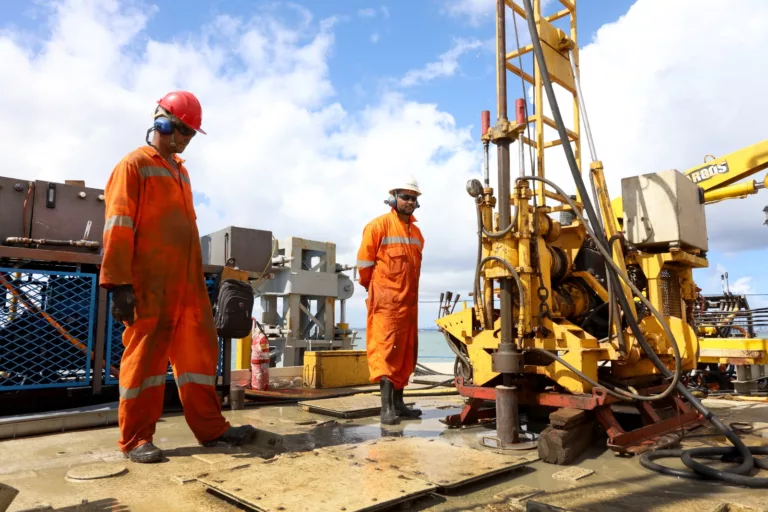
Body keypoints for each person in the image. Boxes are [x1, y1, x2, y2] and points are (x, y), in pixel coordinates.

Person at [100, 91, 256, 463]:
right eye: (181, 130)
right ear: (161, 122)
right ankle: (136, 439)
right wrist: (119, 283)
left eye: (190, 133)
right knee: (146, 363)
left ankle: (211, 429)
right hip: (150, 285)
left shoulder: (181, 172)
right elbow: (118, 226)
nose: (185, 139)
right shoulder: (133, 166)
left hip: (187, 287)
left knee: (200, 358)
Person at [356, 177, 425, 425]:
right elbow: (364, 265)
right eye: (405, 196)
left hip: (409, 303)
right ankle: (386, 409)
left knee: (405, 353)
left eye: (413, 198)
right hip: (386, 302)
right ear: (394, 197)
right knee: (386, 353)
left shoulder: (417, 234)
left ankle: (399, 404)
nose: (409, 201)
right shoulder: (377, 227)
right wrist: (375, 290)